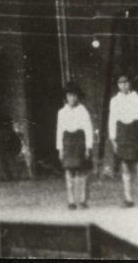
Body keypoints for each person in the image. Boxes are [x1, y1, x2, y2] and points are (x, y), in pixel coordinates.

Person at [108, 74, 138, 207]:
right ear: (117, 85)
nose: (123, 85)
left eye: (126, 82)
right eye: (120, 83)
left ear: (130, 83)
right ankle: (128, 199)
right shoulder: (114, 101)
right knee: (125, 167)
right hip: (122, 135)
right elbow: (112, 121)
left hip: (135, 134)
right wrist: (113, 140)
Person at [56, 81, 93, 209]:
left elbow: (88, 129)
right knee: (68, 172)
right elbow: (59, 131)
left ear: (78, 97)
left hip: (79, 142)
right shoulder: (62, 112)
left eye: (74, 95)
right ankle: (71, 200)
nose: (72, 98)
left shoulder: (83, 111)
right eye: (69, 95)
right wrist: (60, 149)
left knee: (81, 171)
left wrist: (88, 147)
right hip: (67, 142)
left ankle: (83, 199)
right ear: (66, 97)